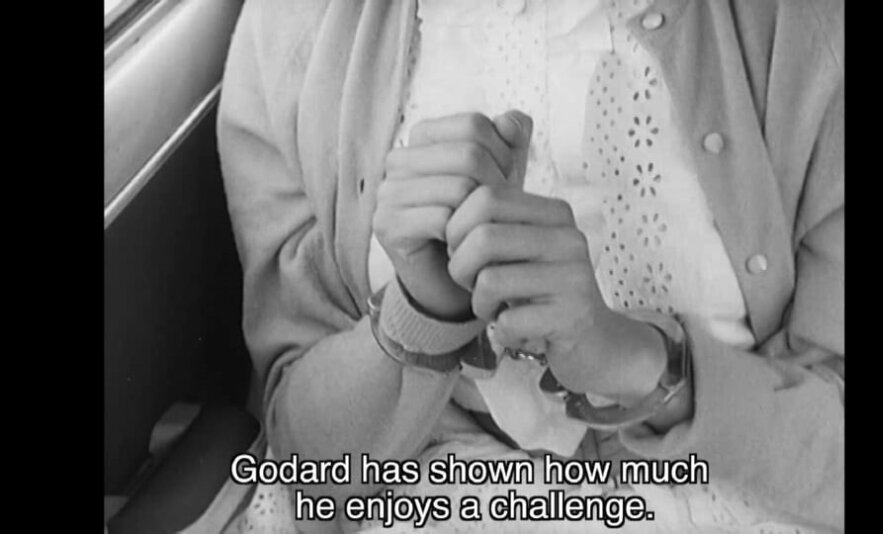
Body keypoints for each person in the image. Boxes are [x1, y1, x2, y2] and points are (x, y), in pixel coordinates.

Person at [216, 0, 844, 532]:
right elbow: (307, 471)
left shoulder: (812, 32)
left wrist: (643, 365)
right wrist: (421, 314)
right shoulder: (291, 33)